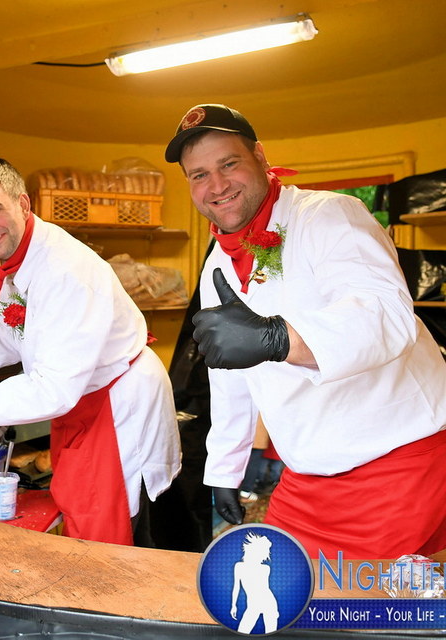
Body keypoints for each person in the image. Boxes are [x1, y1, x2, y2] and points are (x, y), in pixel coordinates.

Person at [165, 103, 446, 559]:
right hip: (307, 470)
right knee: (285, 587)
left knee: (359, 601)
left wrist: (278, 338)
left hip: (396, 458)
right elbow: (228, 372)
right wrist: (224, 470)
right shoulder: (219, 260)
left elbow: (385, 315)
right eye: (199, 175)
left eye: (229, 164)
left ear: (260, 156)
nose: (216, 185)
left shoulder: (331, 215)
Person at [0, 154, 181, 547]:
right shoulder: (21, 258)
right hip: (86, 401)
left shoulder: (64, 271)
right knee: (83, 516)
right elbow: (5, 334)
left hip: (114, 408)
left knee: (109, 540)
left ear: (23, 203)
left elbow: (52, 390)